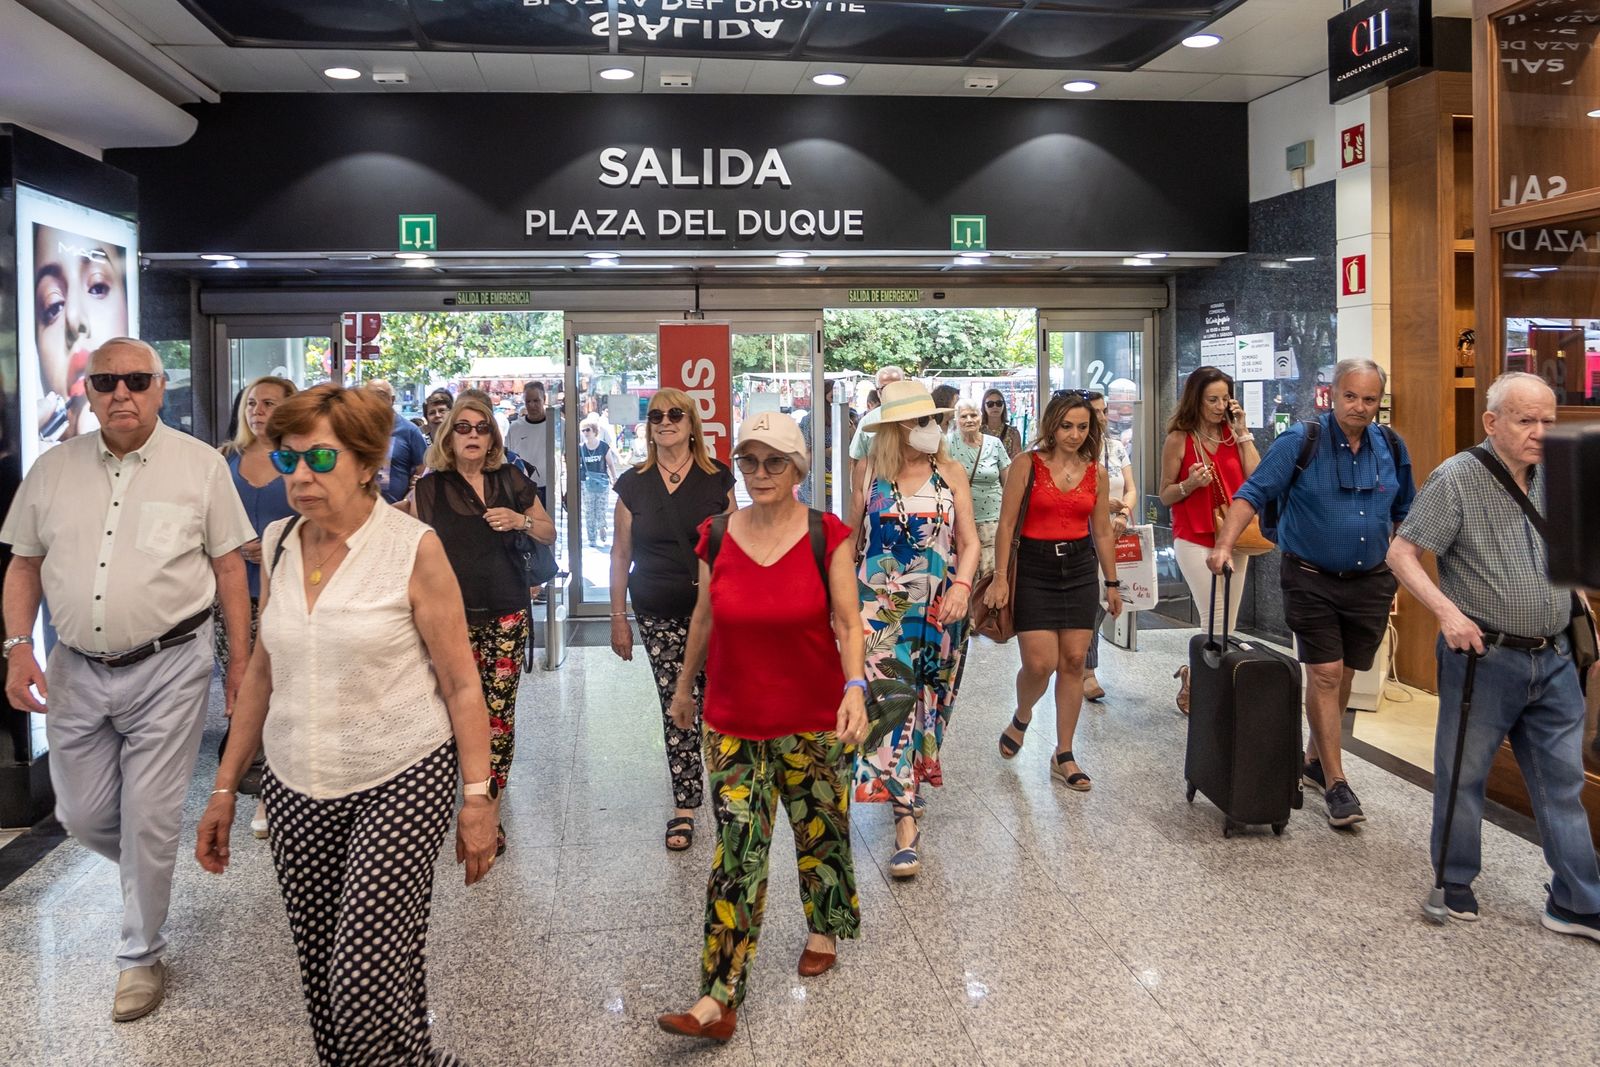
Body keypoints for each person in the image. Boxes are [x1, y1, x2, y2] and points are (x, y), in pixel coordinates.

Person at [194, 383, 498, 1064]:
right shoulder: (276, 542)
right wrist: (223, 787)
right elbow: (263, 675)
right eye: (288, 458)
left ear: (368, 462)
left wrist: (477, 797)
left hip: (401, 773)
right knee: (325, 986)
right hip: (297, 781)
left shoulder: (412, 547)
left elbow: (460, 681)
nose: (300, 477)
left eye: (320, 460)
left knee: (359, 978)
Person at [1, 338, 254, 1022]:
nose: (121, 393)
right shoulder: (51, 471)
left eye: (136, 380)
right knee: (79, 814)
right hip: (75, 667)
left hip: (171, 662)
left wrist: (240, 663)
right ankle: (151, 859)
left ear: (159, 387)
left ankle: (139, 956)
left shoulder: (199, 466)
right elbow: (24, 564)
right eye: (106, 380)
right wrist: (18, 645)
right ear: (86, 390)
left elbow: (231, 568)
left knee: (149, 814)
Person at [655, 411, 867, 1042]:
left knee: (820, 830)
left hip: (812, 716)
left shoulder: (826, 533)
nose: (760, 473)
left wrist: (855, 688)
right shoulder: (715, 535)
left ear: (799, 467)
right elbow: (702, 618)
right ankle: (717, 998)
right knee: (736, 854)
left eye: (775, 461)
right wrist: (684, 689)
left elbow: (850, 623)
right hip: (734, 721)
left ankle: (824, 926)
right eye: (749, 461)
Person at [1387, 372, 1600, 935]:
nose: (1539, 433)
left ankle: (1578, 900)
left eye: (1548, 422)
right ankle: (1455, 881)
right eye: (1526, 421)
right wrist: (1447, 614)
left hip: (1553, 658)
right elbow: (1403, 553)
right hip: (1485, 656)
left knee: (1562, 782)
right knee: (1465, 773)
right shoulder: (1458, 478)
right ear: (1492, 422)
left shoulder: (1555, 477)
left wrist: (1574, 594)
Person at [1210, 359, 1415, 830]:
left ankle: (1315, 760)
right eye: (1350, 396)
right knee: (1324, 673)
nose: (1359, 407)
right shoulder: (1302, 440)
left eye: (1369, 399)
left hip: (1370, 581)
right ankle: (1338, 784)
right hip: (1310, 576)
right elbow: (1252, 492)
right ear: (1332, 394)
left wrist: (1403, 569)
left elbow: (1405, 509)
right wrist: (1223, 544)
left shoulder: (1392, 446)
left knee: (1344, 673)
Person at [414, 394, 555, 855]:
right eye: (463, 428)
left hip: (507, 609)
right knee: (448, 710)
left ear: (493, 436)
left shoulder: (510, 478)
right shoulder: (430, 488)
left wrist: (520, 520)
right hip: (448, 618)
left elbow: (548, 530)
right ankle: (462, 791)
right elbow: (400, 537)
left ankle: (487, 804)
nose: (473, 435)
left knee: (497, 714)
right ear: (448, 436)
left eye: (481, 428)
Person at [849, 380, 978, 878]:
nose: (931, 428)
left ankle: (911, 780)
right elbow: (848, 543)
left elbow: (967, 542)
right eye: (920, 421)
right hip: (881, 613)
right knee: (895, 705)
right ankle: (905, 821)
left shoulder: (950, 474)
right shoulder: (871, 475)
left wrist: (964, 586)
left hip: (942, 610)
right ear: (896, 428)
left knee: (933, 706)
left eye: (932, 419)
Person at [609, 388, 736, 851]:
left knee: (718, 704)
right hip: (656, 609)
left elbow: (733, 543)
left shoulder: (716, 478)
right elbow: (621, 552)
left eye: (675, 414)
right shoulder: (632, 483)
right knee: (677, 702)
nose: (665, 421)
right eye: (656, 415)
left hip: (715, 611)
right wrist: (617, 615)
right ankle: (685, 806)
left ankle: (728, 800)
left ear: (691, 424)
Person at [988, 390, 1123, 791]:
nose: (1075, 434)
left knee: (1075, 660)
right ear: (1052, 425)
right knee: (1039, 663)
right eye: (1067, 425)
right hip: (1034, 567)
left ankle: (1064, 752)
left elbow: (1100, 530)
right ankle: (1023, 713)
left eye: (1083, 426)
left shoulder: (1095, 471)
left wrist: (1112, 582)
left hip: (1080, 567)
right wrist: (999, 576)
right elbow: (1006, 525)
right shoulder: (1026, 464)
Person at [219, 375, 300, 839]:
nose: (258, 411)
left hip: (285, 588)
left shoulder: (296, 458)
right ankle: (239, 778)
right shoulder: (223, 459)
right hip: (230, 594)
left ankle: (273, 791)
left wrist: (273, 545)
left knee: (281, 691)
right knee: (243, 691)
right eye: (252, 402)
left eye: (269, 403)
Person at [1159, 367, 1259, 714]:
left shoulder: (1234, 435)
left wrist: (1243, 432)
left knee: (1227, 620)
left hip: (1234, 535)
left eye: (1224, 399)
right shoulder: (1179, 439)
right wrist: (1190, 484)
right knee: (1213, 616)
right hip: (1195, 534)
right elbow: (1166, 494)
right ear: (1195, 400)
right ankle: (1210, 692)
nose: (1219, 407)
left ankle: (1194, 675)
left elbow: (1258, 478)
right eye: (1211, 400)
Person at [30, 224, 129, 445]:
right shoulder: (35, 473)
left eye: (97, 288)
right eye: (53, 305)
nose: (74, 318)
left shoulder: (183, 464)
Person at [1084, 390, 1137, 702]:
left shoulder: (1116, 448)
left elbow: (1131, 489)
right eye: (1095, 412)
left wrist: (1123, 512)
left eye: (1104, 411)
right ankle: (1088, 669)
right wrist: (1104, 506)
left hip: (1115, 531)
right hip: (1084, 535)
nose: (1102, 418)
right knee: (1091, 600)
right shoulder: (1075, 451)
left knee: (1107, 599)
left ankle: (1082, 661)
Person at [946, 397, 1010, 577]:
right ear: (956, 419)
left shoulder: (994, 444)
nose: (969, 420)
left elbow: (1008, 480)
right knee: (964, 573)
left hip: (992, 519)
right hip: (960, 520)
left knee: (990, 573)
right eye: (963, 416)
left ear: (981, 418)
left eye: (973, 415)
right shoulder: (947, 443)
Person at [364, 378, 428, 505]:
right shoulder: (356, 429)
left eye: (381, 395)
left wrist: (409, 499)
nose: (375, 401)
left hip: (397, 510)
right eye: (369, 396)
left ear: (392, 400)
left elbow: (423, 468)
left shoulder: (410, 431)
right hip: (362, 510)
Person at [798, 378, 857, 508]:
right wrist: (826, 452)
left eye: (837, 396)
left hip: (840, 479)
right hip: (817, 483)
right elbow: (805, 452)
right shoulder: (811, 419)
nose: (835, 400)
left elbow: (854, 442)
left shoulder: (842, 416)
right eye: (832, 396)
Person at [504, 380, 552, 508]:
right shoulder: (514, 428)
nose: (532, 405)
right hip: (522, 489)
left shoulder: (557, 425)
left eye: (536, 401)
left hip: (550, 488)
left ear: (544, 399)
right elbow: (507, 459)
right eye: (528, 401)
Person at [578, 415, 618, 546]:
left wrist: (614, 478)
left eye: (588, 430)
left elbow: (610, 464)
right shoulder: (580, 448)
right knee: (589, 510)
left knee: (601, 508)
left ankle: (601, 526)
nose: (585, 433)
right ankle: (591, 537)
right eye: (583, 430)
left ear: (594, 431)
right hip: (586, 482)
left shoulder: (603, 446)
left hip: (602, 481)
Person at [980, 387, 1023, 459]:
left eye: (999, 403)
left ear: (1004, 405)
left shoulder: (1013, 433)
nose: (995, 407)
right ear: (984, 406)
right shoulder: (978, 432)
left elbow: (1017, 460)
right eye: (990, 404)